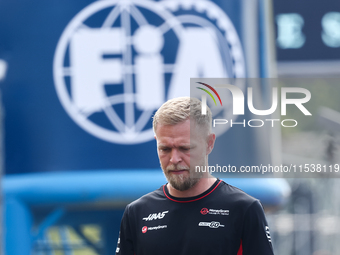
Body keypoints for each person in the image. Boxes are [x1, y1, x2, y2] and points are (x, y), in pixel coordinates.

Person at [116, 97, 274, 255]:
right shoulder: (137, 213)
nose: (174, 159)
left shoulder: (244, 209)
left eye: (185, 148)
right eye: (165, 149)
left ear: (209, 143)